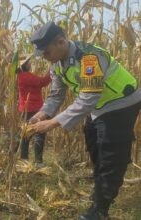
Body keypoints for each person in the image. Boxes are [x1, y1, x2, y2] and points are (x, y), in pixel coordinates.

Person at [29, 21, 141, 220]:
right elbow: (56, 95)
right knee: (93, 145)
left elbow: (89, 97)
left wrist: (53, 123)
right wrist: (42, 114)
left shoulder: (89, 57)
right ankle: (99, 192)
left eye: (46, 52)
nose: (45, 58)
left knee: (109, 153)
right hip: (98, 108)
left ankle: (100, 209)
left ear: (61, 42)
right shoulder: (56, 65)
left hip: (120, 103)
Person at [17, 57, 51, 168]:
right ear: (24, 66)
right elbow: (43, 82)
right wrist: (52, 70)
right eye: (28, 63)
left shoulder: (20, 76)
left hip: (25, 109)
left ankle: (24, 160)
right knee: (39, 134)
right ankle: (38, 161)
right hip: (34, 110)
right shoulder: (26, 76)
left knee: (26, 135)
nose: (30, 64)